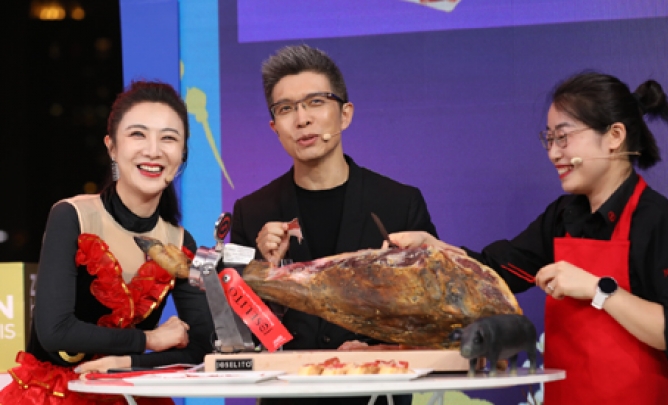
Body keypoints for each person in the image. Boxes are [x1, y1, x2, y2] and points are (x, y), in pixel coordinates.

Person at [388, 72, 668, 404]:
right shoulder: (562, 216)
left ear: (614, 136)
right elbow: (496, 271)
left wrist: (598, 290)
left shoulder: (661, 221)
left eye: (564, 138)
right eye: (549, 139)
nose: (553, 153)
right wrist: (434, 249)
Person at [230, 44, 437, 405]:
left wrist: (379, 349)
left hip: (376, 394)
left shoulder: (399, 204)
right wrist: (265, 270)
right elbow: (236, 334)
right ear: (274, 127)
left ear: (345, 115)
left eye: (315, 102)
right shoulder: (251, 212)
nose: (302, 119)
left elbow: (430, 316)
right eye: (286, 109)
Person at [0, 81, 214, 405]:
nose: (153, 150)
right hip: (57, 394)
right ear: (112, 147)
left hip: (128, 391)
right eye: (138, 134)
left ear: (182, 153)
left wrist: (126, 363)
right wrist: (148, 340)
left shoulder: (180, 241)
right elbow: (55, 331)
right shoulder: (72, 216)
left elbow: (201, 348)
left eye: (168, 138)